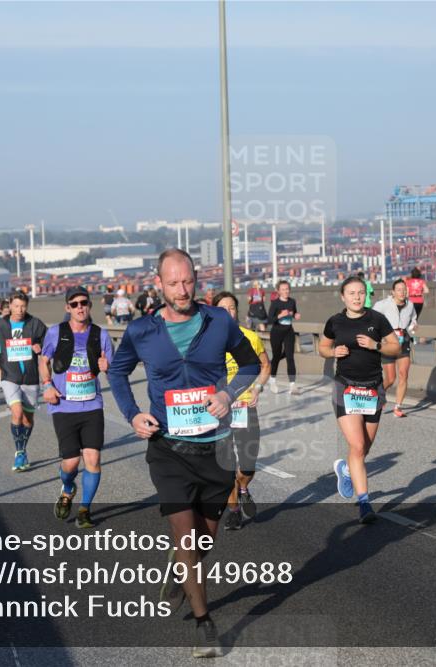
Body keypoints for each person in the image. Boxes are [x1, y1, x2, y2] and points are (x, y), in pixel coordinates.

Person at [108, 249, 259, 658]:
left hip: (214, 447)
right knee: (186, 533)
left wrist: (229, 394)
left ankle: (182, 571)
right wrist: (133, 414)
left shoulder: (219, 321)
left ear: (197, 279)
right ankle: (203, 622)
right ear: (159, 284)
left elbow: (249, 365)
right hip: (167, 449)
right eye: (173, 283)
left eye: (188, 281)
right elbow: (117, 372)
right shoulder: (142, 330)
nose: (182, 290)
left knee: (205, 538)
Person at [322, 277, 400, 523]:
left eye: (360, 293)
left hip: (372, 389)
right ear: (343, 296)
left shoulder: (376, 319)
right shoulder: (335, 322)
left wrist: (376, 344)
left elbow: (395, 348)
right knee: (356, 446)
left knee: (364, 448)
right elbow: (323, 347)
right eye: (351, 293)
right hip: (345, 388)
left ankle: (345, 469)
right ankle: (364, 503)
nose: (356, 297)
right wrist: (333, 352)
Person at [39, 286, 113, 529]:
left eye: (84, 302)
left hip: (92, 406)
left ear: (90, 305)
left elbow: (113, 371)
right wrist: (47, 385)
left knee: (93, 457)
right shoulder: (55, 333)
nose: (80, 307)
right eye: (74, 304)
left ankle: (84, 509)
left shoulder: (100, 335)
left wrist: (107, 367)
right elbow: (43, 361)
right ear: (67, 307)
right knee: (70, 463)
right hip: (63, 406)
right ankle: (68, 487)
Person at [214, 291, 271, 531]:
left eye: (232, 308)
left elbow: (265, 366)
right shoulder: (208, 342)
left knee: (247, 465)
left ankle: (244, 487)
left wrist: (257, 387)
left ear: (238, 311)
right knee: (227, 466)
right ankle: (234, 511)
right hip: (219, 411)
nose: (228, 312)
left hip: (245, 407)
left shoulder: (250, 337)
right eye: (222, 309)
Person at [0, 290, 47, 472]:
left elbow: (49, 341)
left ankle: (23, 449)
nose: (20, 309)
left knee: (28, 419)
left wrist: (40, 346)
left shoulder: (35, 323)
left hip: (30, 377)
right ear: (10, 305)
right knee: (17, 412)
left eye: (23, 306)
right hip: (9, 377)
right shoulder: (1, 324)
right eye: (16, 306)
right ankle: (19, 452)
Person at [373, 279, 417, 417]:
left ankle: (397, 407)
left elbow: (414, 318)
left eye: (404, 289)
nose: (402, 292)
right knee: (390, 379)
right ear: (392, 292)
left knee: (404, 374)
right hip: (388, 342)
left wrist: (413, 326)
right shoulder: (383, 304)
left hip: (403, 342)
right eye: (399, 289)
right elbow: (371, 317)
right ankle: (378, 395)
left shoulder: (410, 305)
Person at [267, 280, 300, 395]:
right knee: (276, 356)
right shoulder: (275, 303)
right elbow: (269, 320)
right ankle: (272, 379)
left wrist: (296, 315)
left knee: (290, 356)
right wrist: (280, 315)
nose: (286, 291)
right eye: (283, 289)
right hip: (276, 332)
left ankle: (292, 385)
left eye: (287, 289)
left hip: (289, 331)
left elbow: (294, 313)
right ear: (278, 291)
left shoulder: (292, 301)